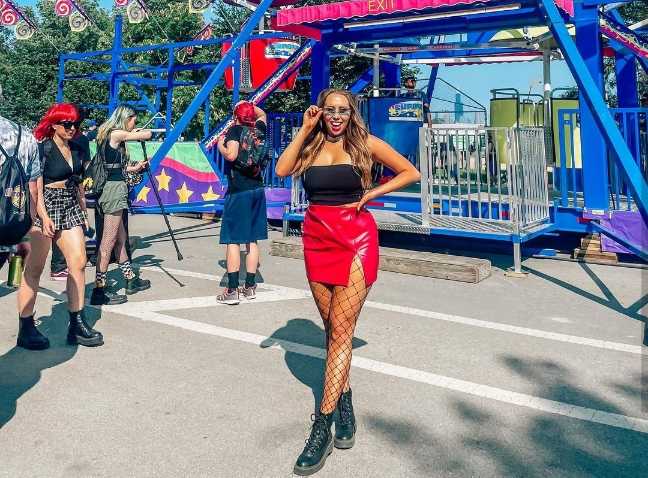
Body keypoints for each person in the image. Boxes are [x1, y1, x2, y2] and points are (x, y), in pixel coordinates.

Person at [275, 89, 420, 475]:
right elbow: (281, 170)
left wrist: (373, 192)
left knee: (341, 333)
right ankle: (346, 401)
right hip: (317, 238)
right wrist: (304, 129)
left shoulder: (364, 143)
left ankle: (321, 427)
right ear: (320, 112)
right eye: (329, 110)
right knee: (331, 330)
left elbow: (410, 171)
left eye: (343, 110)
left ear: (350, 113)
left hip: (356, 239)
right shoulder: (311, 143)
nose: (336, 117)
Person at [16, 103, 103, 349]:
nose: (72, 128)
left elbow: (76, 182)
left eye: (75, 123)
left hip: (69, 205)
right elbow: (36, 186)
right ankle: (26, 327)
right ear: (54, 124)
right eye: (67, 124)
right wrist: (42, 217)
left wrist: (83, 211)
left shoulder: (78, 146)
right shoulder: (42, 149)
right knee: (34, 268)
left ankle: (76, 324)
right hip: (43, 206)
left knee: (79, 262)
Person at [90, 106, 151, 306]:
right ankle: (99, 289)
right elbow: (147, 134)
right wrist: (137, 132)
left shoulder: (112, 137)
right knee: (108, 241)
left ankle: (130, 278)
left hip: (116, 187)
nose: (135, 124)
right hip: (113, 191)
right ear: (127, 119)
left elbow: (118, 168)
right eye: (134, 120)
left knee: (121, 239)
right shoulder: (115, 133)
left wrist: (137, 167)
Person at [216, 101, 268, 305]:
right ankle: (250, 286)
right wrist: (249, 105)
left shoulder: (234, 131)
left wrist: (221, 143)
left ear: (235, 116)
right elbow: (262, 113)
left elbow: (231, 154)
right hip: (257, 189)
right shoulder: (259, 129)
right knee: (252, 240)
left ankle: (232, 290)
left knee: (233, 240)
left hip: (239, 191)